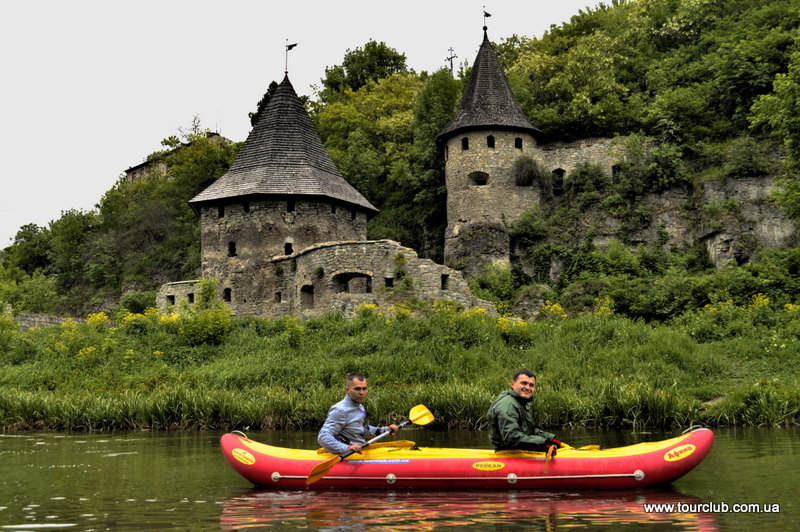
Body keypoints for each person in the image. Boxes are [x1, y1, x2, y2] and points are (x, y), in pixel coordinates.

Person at [318, 373, 400, 455]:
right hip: (349, 454)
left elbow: (361, 429)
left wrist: (385, 430)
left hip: (360, 450)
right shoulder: (340, 410)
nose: (362, 392)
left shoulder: (360, 407)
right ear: (347, 390)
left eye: (364, 389)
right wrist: (346, 448)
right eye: (357, 389)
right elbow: (323, 436)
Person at [487, 369, 561, 454]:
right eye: (524, 383)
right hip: (507, 454)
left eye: (531, 385)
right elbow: (512, 437)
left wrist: (550, 438)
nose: (527, 388)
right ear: (513, 384)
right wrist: (543, 444)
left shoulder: (521, 402)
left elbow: (529, 430)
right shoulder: (507, 404)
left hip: (519, 451)